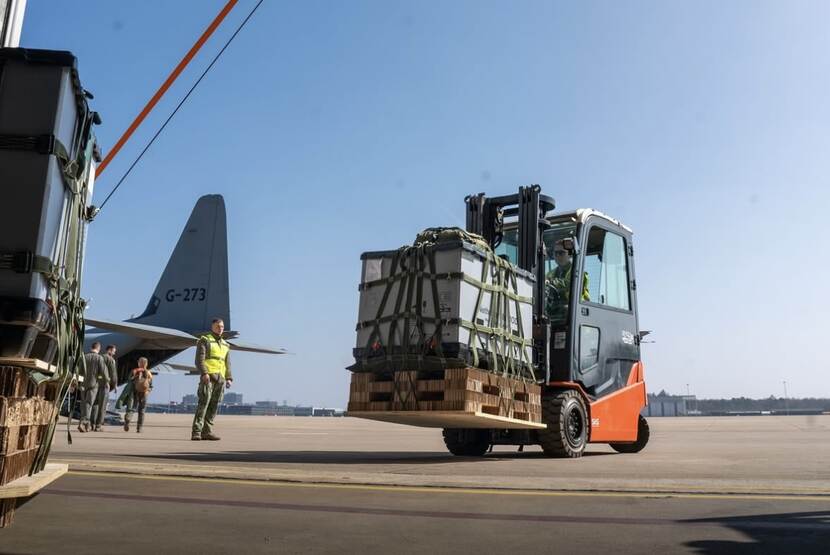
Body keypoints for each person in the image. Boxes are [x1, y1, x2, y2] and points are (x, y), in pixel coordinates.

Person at [191, 318, 232, 441]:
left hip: (220, 379)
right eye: (218, 326)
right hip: (208, 377)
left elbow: (227, 363)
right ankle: (196, 431)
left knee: (214, 406)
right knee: (203, 404)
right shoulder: (205, 340)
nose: (220, 328)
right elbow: (199, 359)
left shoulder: (226, 344)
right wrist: (204, 373)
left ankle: (207, 431)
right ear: (212, 327)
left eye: (222, 327)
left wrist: (229, 378)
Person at [79, 342, 106, 433]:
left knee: (83, 403)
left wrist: (77, 383)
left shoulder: (84, 357)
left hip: (83, 383)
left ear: (91, 347)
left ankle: (87, 425)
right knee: (89, 403)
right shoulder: (99, 358)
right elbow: (102, 372)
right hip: (94, 384)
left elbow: (79, 371)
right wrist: (103, 381)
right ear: (99, 349)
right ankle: (84, 422)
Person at [91, 344, 118, 431]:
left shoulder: (99, 357)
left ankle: (92, 424)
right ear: (109, 350)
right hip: (105, 385)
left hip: (96, 384)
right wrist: (114, 385)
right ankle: (98, 426)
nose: (114, 353)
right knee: (102, 406)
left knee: (95, 404)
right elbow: (113, 375)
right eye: (113, 351)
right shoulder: (111, 360)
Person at [124, 357, 152, 433]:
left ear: (139, 363)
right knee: (142, 410)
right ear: (146, 364)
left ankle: (128, 419)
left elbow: (129, 380)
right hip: (144, 393)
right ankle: (139, 428)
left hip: (134, 392)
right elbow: (151, 385)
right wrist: (148, 391)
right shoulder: (148, 373)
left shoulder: (134, 371)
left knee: (132, 408)